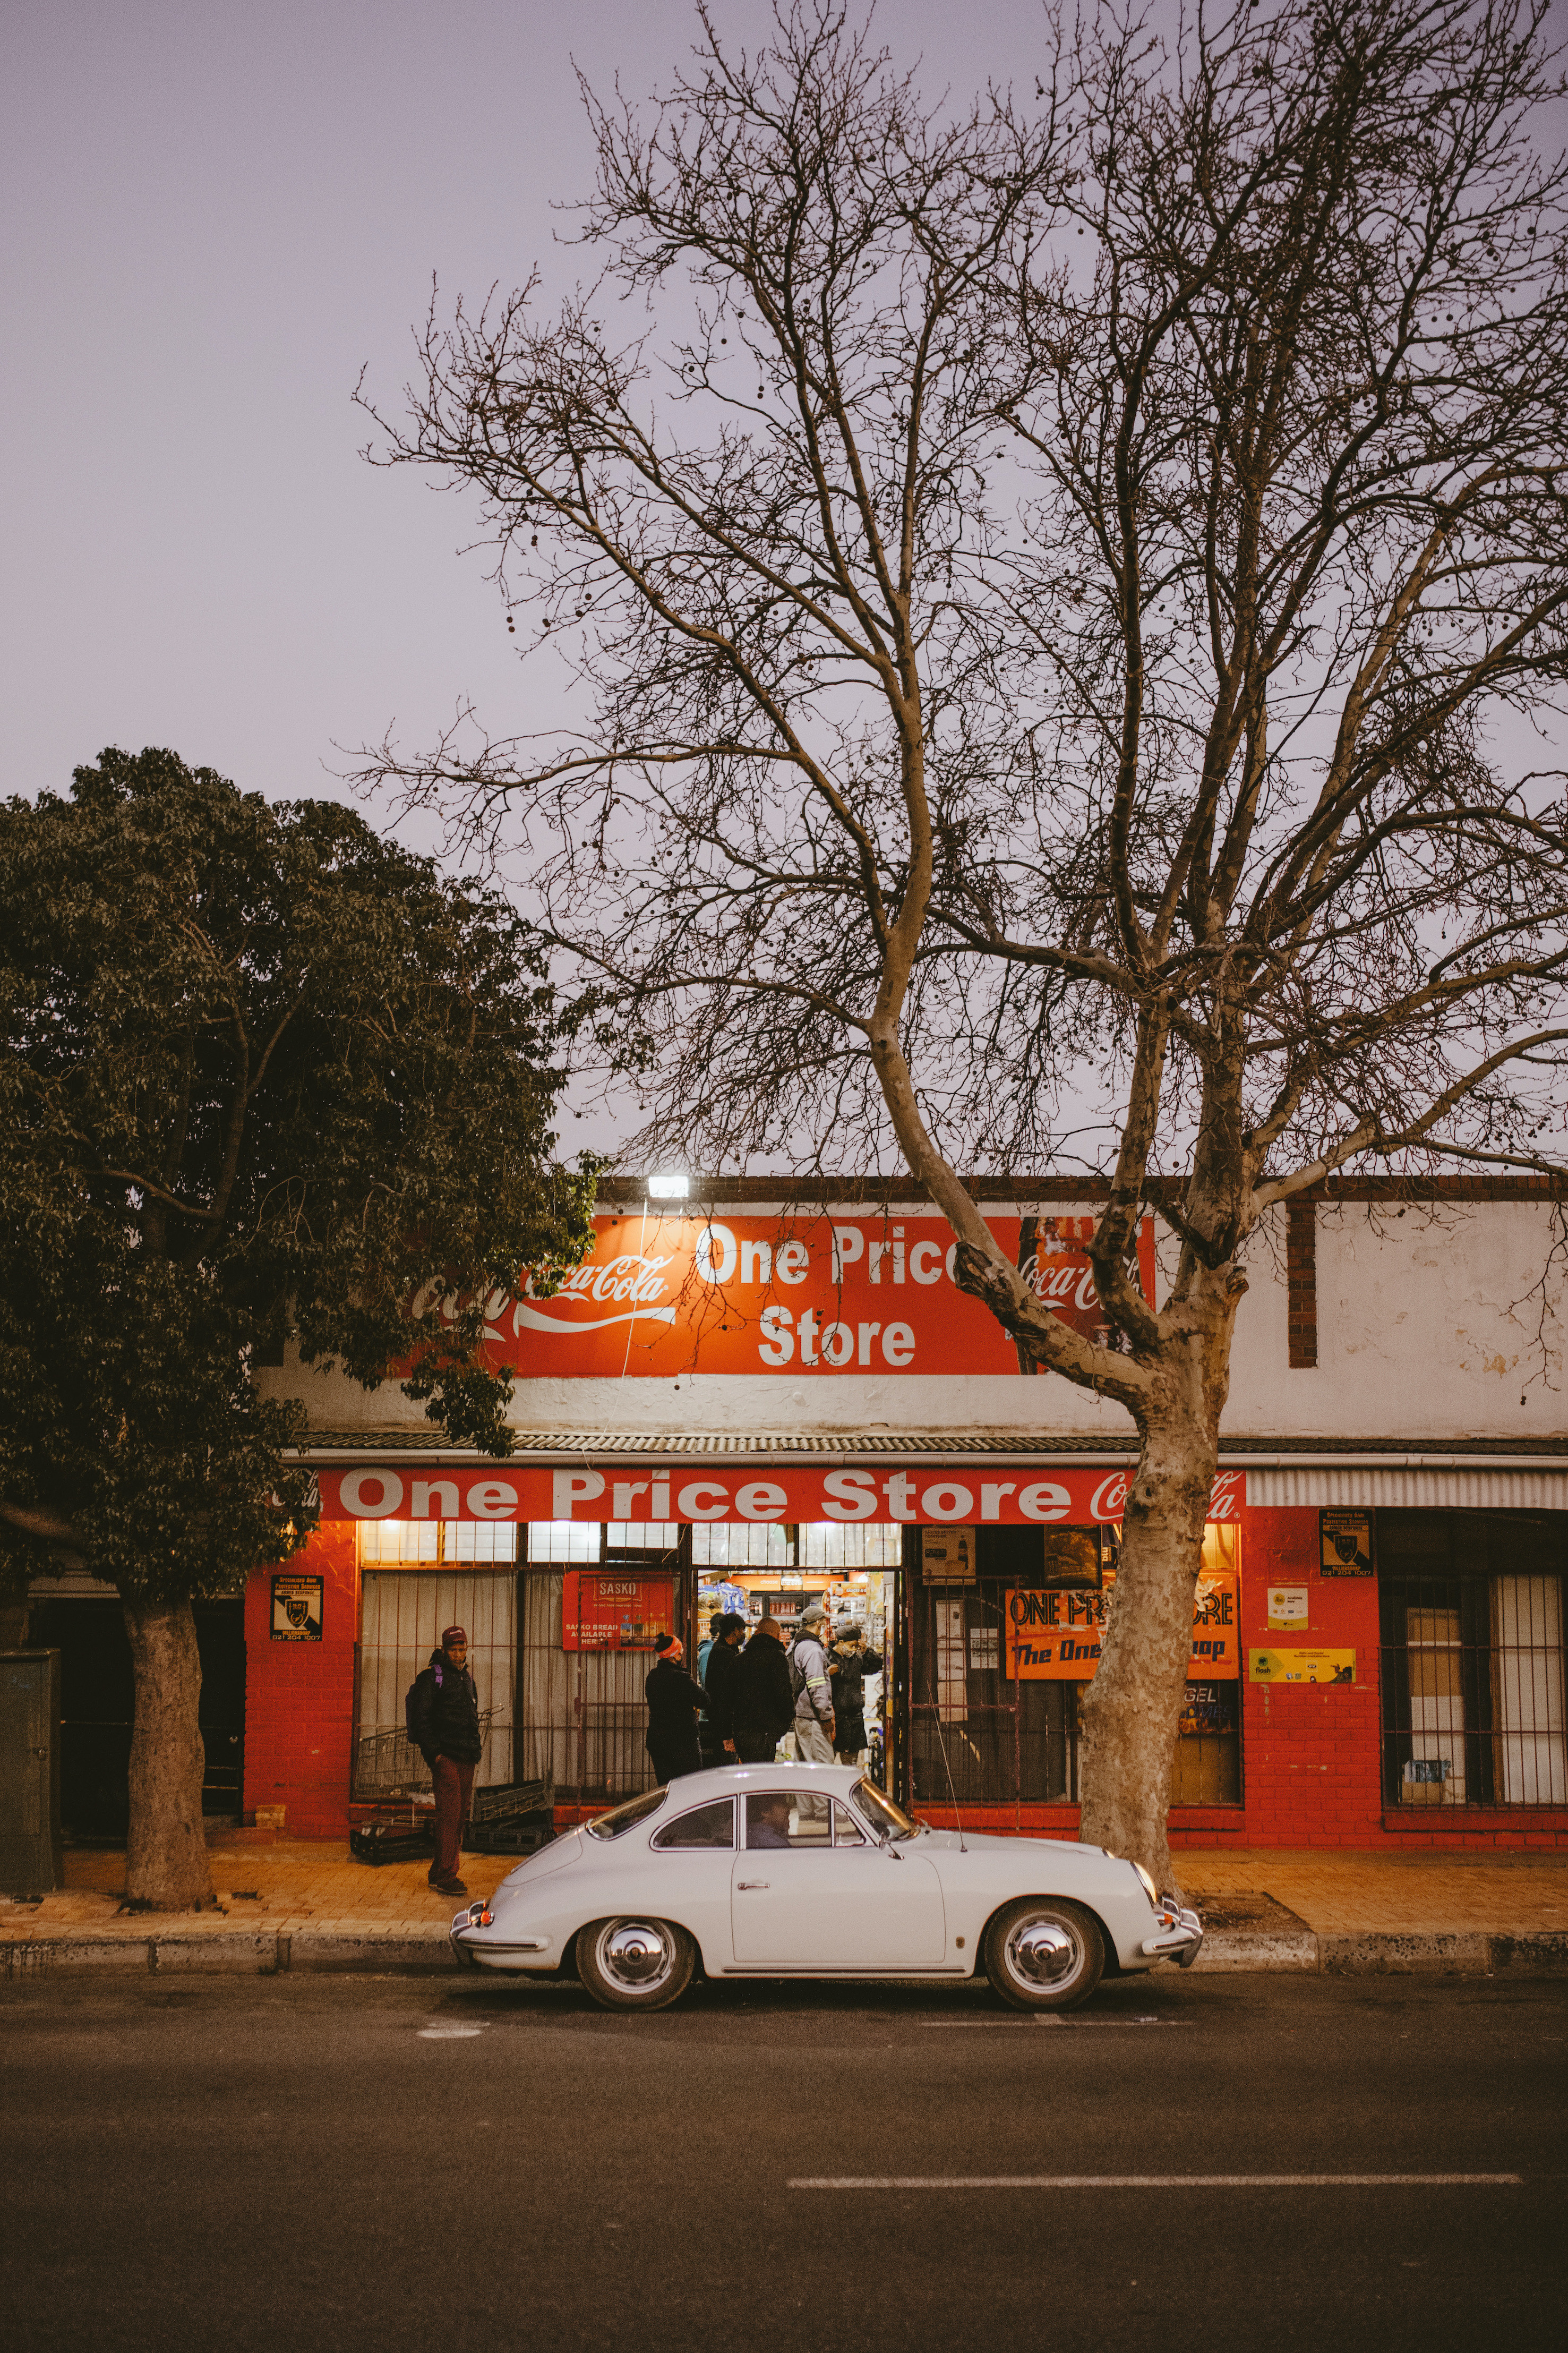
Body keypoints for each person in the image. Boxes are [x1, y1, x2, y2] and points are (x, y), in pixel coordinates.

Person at [408, 1624, 483, 1897]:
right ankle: (445, 1876)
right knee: (450, 1817)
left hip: (466, 1757)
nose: (459, 1654)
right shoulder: (432, 1678)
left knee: (458, 1817)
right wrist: (435, 1754)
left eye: (462, 1649)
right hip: (446, 1757)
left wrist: (475, 1750)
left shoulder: (466, 1679)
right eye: (453, 1649)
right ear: (444, 1649)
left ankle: (440, 1870)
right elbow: (421, 1720)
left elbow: (471, 1719)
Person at [644, 1632, 708, 1785]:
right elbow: (704, 1701)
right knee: (689, 1784)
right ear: (675, 1655)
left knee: (666, 1787)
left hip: (658, 1740)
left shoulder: (652, 1676)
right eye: (680, 1653)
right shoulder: (681, 1679)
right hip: (682, 1742)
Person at [730, 1615, 794, 1763]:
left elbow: (728, 1698)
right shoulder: (777, 1659)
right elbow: (784, 1696)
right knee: (762, 1776)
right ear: (776, 1636)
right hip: (766, 1732)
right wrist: (782, 1727)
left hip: (743, 1731)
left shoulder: (739, 1660)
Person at [827, 1622, 884, 1765]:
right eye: (851, 1645)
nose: (854, 1650)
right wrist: (826, 1674)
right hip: (834, 1718)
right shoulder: (826, 1657)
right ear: (841, 1642)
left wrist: (867, 1652)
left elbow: (876, 1667)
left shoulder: (857, 1658)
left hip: (854, 1717)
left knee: (851, 1764)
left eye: (856, 1646)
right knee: (827, 1762)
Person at [790, 1604, 836, 1767]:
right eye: (824, 1622)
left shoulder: (797, 1644)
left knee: (803, 1764)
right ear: (818, 1623)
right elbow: (816, 1685)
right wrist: (825, 1716)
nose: (825, 1626)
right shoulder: (813, 1649)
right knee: (822, 1766)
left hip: (802, 1713)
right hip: (812, 1717)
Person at [700, 1612, 747, 1769]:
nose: (744, 1634)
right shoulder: (725, 1654)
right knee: (726, 1768)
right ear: (734, 1631)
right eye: (742, 1630)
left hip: (722, 1723)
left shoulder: (724, 1650)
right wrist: (727, 1733)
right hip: (724, 1726)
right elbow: (725, 1695)